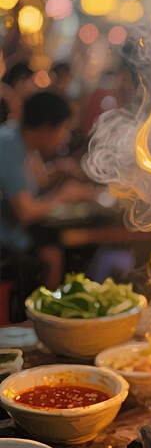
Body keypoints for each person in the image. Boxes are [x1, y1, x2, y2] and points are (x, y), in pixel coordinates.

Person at [0, 91, 95, 296]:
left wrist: (57, 175)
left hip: (16, 238)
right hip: (5, 247)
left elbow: (31, 185)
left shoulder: (18, 139)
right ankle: (40, 315)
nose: (66, 137)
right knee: (53, 255)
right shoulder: (7, 145)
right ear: (46, 128)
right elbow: (25, 211)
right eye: (64, 129)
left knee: (54, 250)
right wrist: (63, 196)